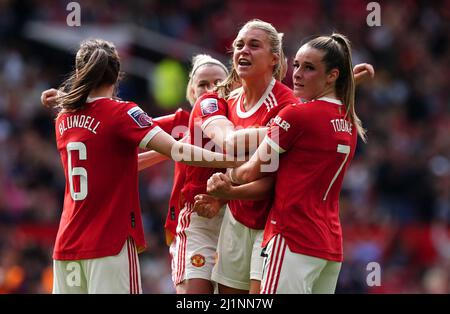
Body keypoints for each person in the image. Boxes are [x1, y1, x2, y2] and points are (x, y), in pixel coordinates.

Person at [194, 20, 374, 294]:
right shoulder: (348, 121)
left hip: (289, 234)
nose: (297, 73)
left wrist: (224, 183)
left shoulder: (293, 113)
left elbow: (248, 169)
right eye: (298, 65)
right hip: (327, 244)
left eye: (309, 68)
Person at [49, 38, 237, 294]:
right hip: (110, 241)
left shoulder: (63, 118)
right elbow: (178, 150)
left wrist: (63, 98)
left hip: (67, 244)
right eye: (203, 84)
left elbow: (118, 161)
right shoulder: (122, 114)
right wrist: (235, 159)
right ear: (117, 76)